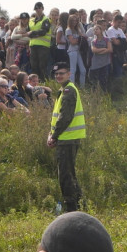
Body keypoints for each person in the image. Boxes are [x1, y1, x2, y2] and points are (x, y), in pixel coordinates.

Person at [48, 63, 86, 212]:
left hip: (68, 138)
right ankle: (79, 205)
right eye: (56, 74)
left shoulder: (69, 91)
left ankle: (71, 209)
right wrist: (51, 134)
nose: (58, 76)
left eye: (61, 73)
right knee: (69, 173)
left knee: (65, 175)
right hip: (66, 137)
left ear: (69, 74)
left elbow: (65, 117)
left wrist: (54, 136)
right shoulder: (64, 90)